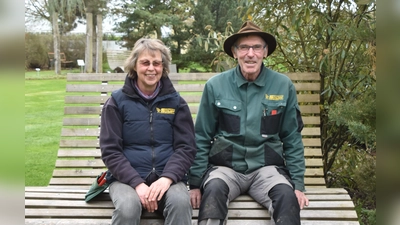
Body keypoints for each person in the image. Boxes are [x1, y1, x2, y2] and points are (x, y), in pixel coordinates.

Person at [188, 21, 309, 225]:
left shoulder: (282, 85)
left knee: (287, 199)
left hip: (267, 169)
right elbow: (201, 136)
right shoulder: (215, 86)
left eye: (256, 47)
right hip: (225, 169)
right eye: (244, 47)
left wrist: (297, 184)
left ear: (265, 51)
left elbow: (292, 137)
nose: (250, 54)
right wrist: (195, 183)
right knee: (212, 196)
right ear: (235, 53)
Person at [100, 38, 197, 225]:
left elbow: (186, 148)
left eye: (157, 63)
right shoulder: (116, 103)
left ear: (164, 67)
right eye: (145, 63)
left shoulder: (176, 103)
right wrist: (137, 183)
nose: (151, 68)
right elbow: (111, 151)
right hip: (126, 180)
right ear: (134, 66)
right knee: (128, 208)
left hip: (168, 179)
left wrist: (167, 178)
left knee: (181, 203)